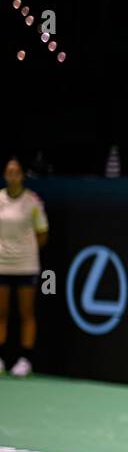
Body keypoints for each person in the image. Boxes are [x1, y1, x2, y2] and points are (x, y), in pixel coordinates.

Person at [0, 158, 49, 377]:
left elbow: (42, 234)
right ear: (4, 175)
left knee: (26, 313)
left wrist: (23, 251)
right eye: (9, 172)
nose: (13, 176)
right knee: (1, 313)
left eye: (16, 172)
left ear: (22, 175)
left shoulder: (33, 201)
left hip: (26, 265)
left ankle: (25, 360)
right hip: (1, 264)